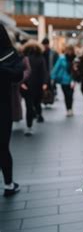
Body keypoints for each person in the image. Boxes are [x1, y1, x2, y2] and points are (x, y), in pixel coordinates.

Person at [0, 23, 23, 196]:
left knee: (2, 147)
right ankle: (8, 183)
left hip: (3, 106)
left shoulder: (9, 53)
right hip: (3, 107)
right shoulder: (10, 53)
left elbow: (18, 74)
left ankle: (8, 183)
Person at [21, 41, 48, 136]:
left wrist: (21, 83)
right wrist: (44, 83)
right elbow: (44, 71)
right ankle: (37, 116)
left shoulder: (24, 57)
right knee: (36, 103)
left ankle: (29, 126)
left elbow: (20, 71)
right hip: (37, 85)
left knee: (29, 105)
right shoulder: (40, 58)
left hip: (27, 85)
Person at [51, 45, 76, 117]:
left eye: (71, 50)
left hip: (72, 80)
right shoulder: (62, 58)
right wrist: (53, 77)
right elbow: (56, 68)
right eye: (68, 50)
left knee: (70, 95)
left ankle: (70, 108)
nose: (69, 52)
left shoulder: (75, 59)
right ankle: (68, 109)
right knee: (66, 95)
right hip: (63, 80)